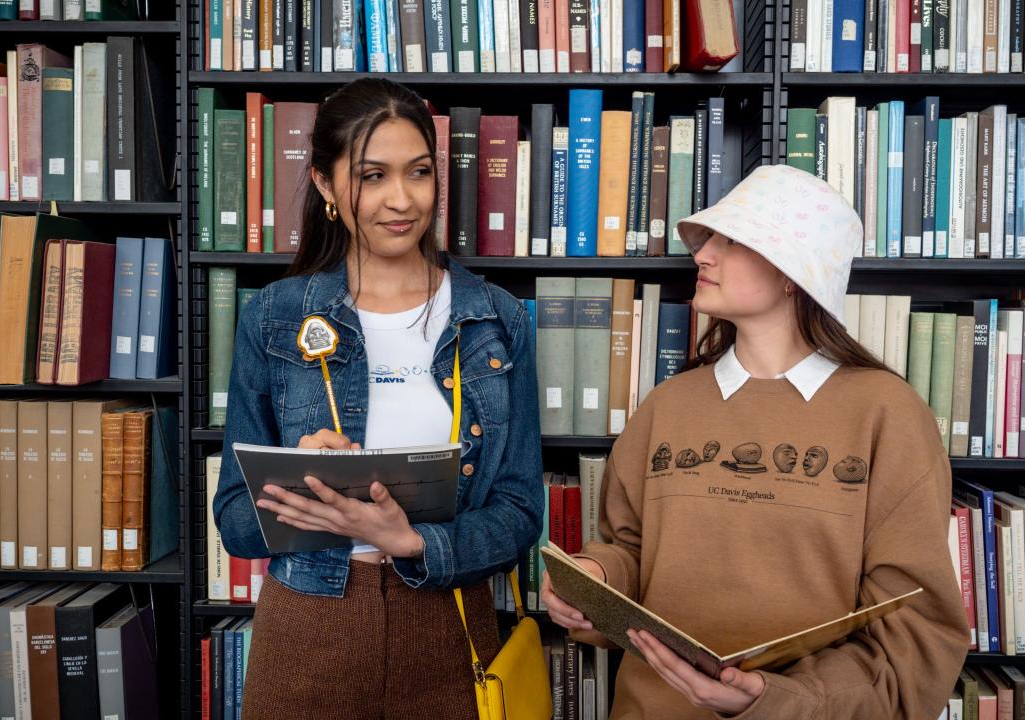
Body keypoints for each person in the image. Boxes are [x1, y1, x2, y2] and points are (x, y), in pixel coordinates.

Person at [541, 164, 970, 719]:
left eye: (732, 241)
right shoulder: (667, 406)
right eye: (709, 240)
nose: (702, 255)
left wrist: (777, 699)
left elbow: (912, 630)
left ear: (794, 272)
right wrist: (594, 581)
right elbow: (631, 553)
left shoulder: (887, 416)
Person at [212, 77, 545, 719]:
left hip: (449, 635)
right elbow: (233, 522)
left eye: (419, 172)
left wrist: (416, 543)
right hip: (308, 635)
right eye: (372, 176)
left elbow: (521, 510)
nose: (402, 200)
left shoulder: (495, 320)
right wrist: (300, 486)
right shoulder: (275, 319)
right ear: (326, 185)